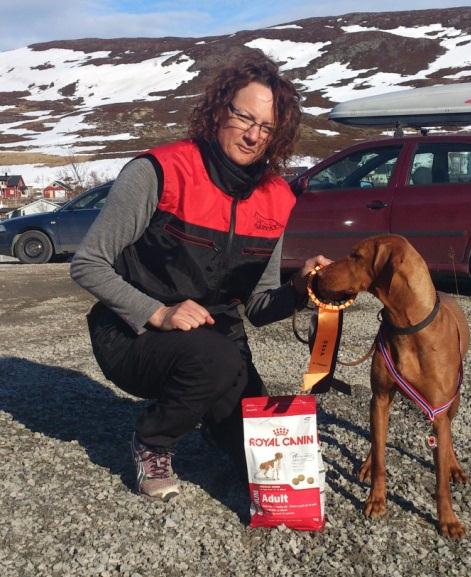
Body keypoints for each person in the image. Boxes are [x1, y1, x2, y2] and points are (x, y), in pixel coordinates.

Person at [70, 55, 330, 501]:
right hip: (132, 337)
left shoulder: (276, 199)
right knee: (215, 360)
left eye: (266, 128)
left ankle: (212, 421)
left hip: (218, 344)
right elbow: (88, 263)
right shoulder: (159, 171)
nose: (252, 135)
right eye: (244, 117)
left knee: (263, 461)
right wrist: (159, 312)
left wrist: (302, 289)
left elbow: (260, 306)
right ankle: (152, 441)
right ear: (218, 110)